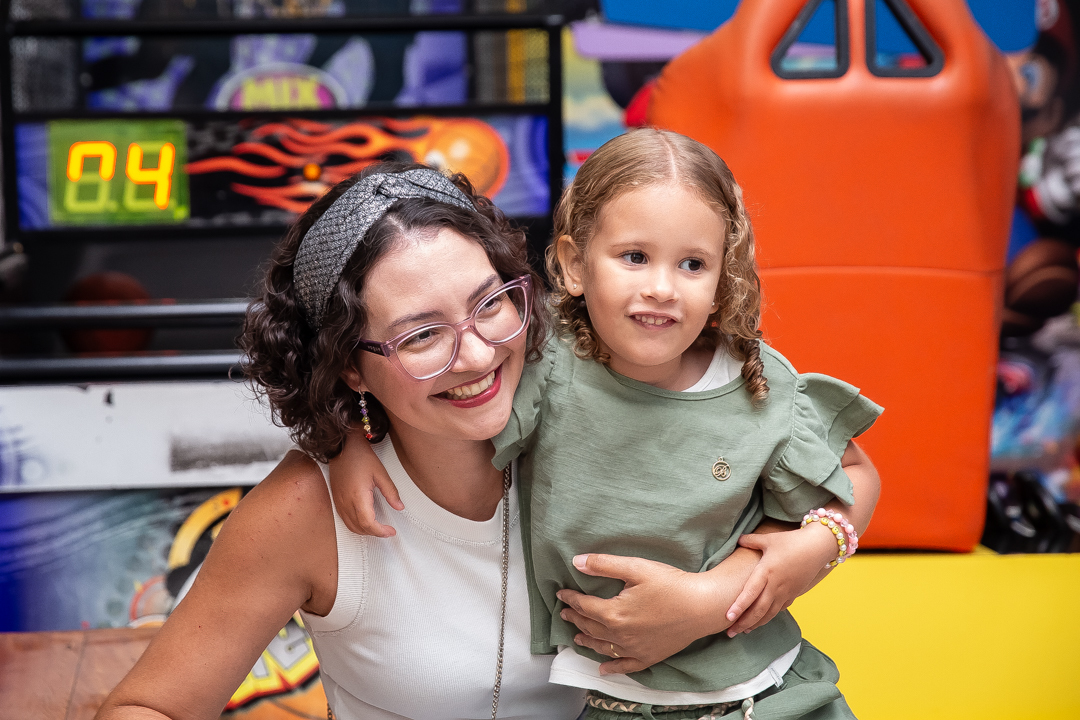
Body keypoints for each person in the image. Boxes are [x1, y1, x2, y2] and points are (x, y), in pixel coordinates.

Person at [92, 162, 837, 720]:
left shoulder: (602, 413)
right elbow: (148, 706)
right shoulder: (308, 512)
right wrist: (339, 438)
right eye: (421, 335)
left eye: (490, 305)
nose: (477, 356)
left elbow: (825, 480)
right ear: (349, 363)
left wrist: (725, 592)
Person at [330, 130, 882, 719]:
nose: (661, 288)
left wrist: (810, 551)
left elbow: (856, 476)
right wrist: (351, 441)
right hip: (617, 703)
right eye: (635, 257)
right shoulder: (544, 363)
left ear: (723, 280)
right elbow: (430, 392)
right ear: (574, 264)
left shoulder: (757, 383)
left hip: (776, 690)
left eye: (693, 264)